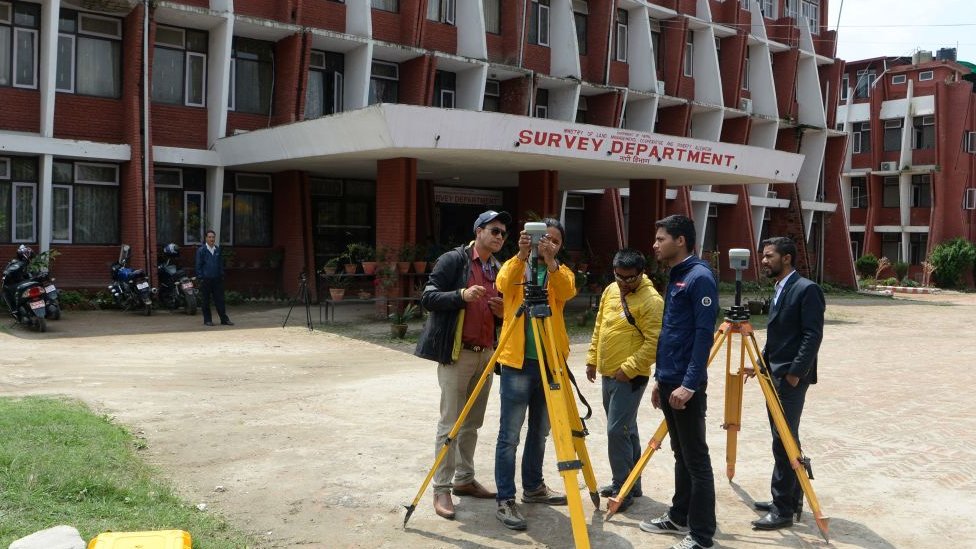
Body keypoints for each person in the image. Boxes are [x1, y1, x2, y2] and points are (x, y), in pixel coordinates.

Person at [415, 210, 510, 520]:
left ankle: (464, 480)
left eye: (503, 233)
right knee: (450, 423)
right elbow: (428, 297)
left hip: (485, 353)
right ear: (478, 231)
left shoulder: (498, 269)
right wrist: (461, 295)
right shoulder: (454, 261)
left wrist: (500, 311)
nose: (499, 237)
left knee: (473, 423)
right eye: (494, 230)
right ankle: (441, 488)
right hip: (458, 354)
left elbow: (503, 313)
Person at [639, 214, 718, 549]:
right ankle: (678, 516)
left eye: (660, 239)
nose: (655, 245)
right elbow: (671, 333)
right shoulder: (677, 275)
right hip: (671, 379)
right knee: (680, 455)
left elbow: (703, 336)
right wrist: (661, 379)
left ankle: (701, 536)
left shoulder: (700, 277)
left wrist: (688, 383)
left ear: (681, 240)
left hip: (686, 384)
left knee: (696, 459)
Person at [493, 218, 576, 531]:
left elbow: (568, 290)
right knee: (509, 435)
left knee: (540, 431)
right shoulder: (517, 266)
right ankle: (505, 497)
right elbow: (502, 284)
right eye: (544, 238)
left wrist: (551, 263)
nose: (548, 244)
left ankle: (534, 486)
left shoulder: (560, 272)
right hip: (518, 363)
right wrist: (521, 255)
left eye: (554, 241)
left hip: (549, 361)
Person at [751, 236, 825, 531]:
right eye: (764, 256)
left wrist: (795, 373)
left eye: (769, 256)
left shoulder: (807, 289)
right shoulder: (781, 288)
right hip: (775, 374)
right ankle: (789, 498)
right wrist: (759, 365)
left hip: (790, 379)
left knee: (784, 439)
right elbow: (777, 335)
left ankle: (782, 509)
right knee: (784, 438)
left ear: (787, 258)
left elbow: (812, 336)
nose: (764, 261)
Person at [585, 248, 664, 513]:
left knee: (616, 431)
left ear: (642, 273)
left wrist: (628, 368)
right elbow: (600, 326)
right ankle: (633, 481)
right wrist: (592, 358)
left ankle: (623, 486)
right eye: (619, 276)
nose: (624, 282)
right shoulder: (610, 291)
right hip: (608, 372)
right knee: (626, 428)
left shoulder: (651, 300)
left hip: (630, 377)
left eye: (630, 278)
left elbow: (654, 343)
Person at [195, 229, 233, 327]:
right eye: (210, 237)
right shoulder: (201, 250)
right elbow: (198, 265)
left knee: (220, 300)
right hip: (206, 279)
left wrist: (221, 274)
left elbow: (220, 264)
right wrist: (200, 277)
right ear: (206, 238)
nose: (212, 239)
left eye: (213, 237)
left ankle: (224, 319)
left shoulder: (217, 249)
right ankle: (207, 320)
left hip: (217, 279)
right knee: (205, 301)